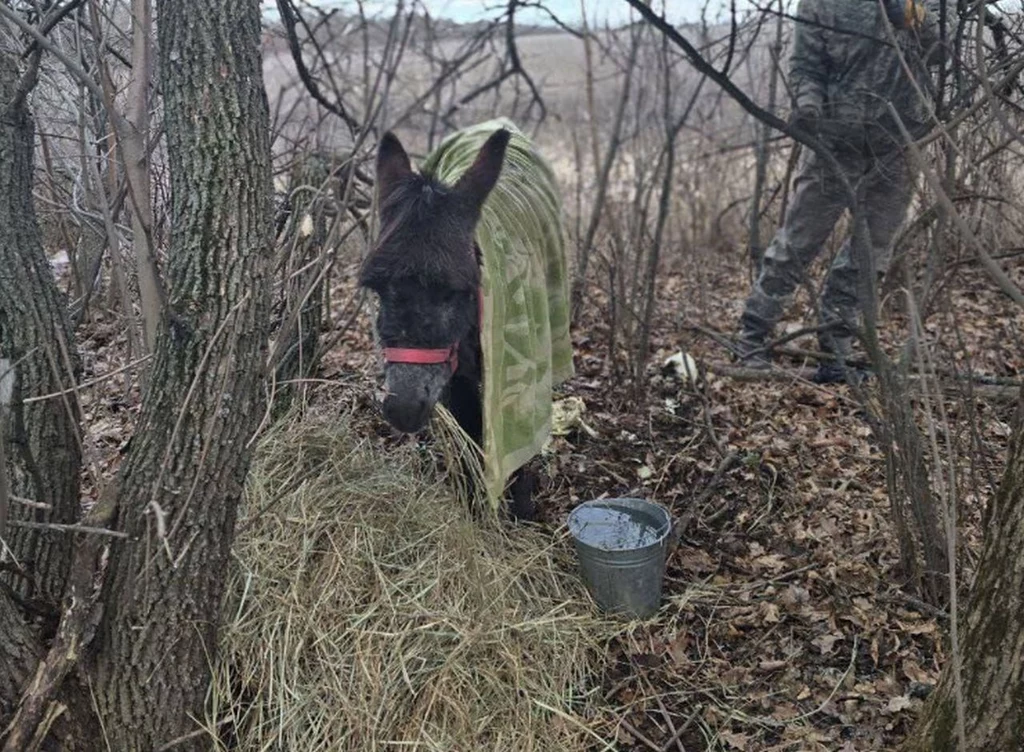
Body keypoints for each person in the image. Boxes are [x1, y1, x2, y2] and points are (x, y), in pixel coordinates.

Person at [735, 0, 947, 382]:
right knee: (798, 243)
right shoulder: (819, 3)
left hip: (900, 142)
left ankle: (835, 356)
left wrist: (918, 17)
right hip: (835, 140)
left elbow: (940, 54)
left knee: (869, 255)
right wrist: (808, 107)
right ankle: (751, 338)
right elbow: (806, 67)